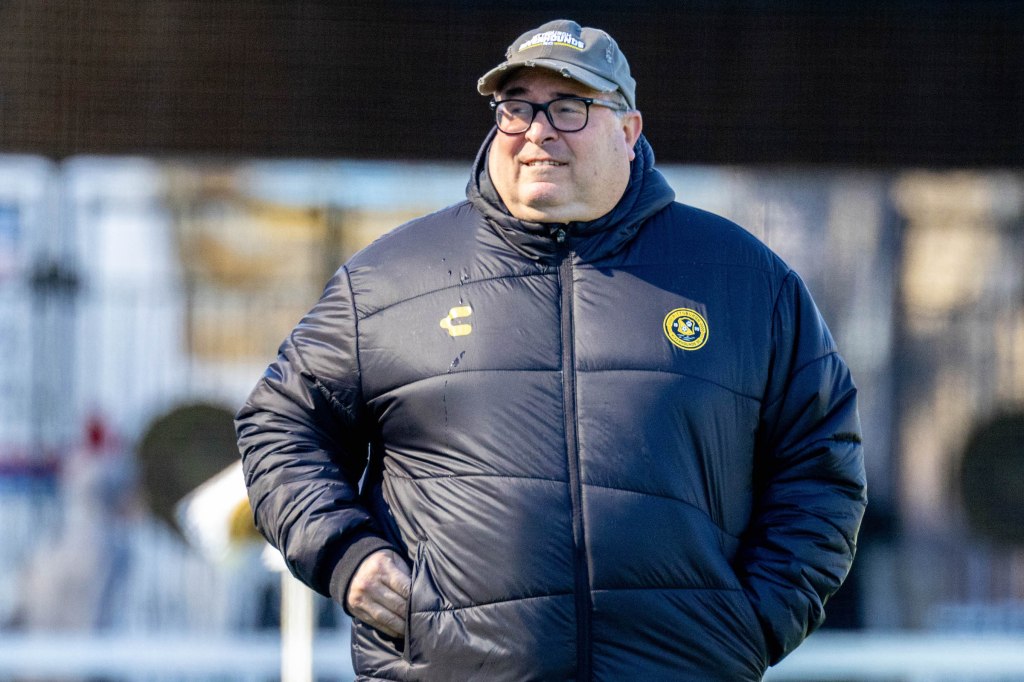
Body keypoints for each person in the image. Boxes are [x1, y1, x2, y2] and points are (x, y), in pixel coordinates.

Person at [236, 18, 867, 681]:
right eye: (517, 109)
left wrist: (750, 625)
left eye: (569, 108)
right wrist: (346, 554)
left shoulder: (744, 282)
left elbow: (821, 464)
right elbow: (279, 425)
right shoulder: (390, 281)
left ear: (629, 131)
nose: (538, 131)